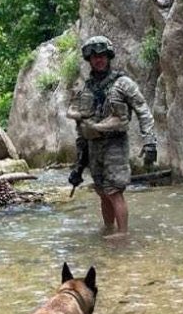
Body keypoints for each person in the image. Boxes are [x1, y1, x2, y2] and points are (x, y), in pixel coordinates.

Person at [67, 35, 157, 238]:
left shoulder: (123, 83)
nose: (98, 60)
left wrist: (149, 141)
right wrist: (79, 164)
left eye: (102, 56)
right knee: (101, 191)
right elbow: (81, 124)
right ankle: (108, 229)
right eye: (94, 57)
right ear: (89, 60)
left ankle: (123, 233)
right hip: (93, 146)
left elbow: (143, 110)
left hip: (115, 143)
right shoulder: (86, 88)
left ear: (108, 57)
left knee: (114, 190)